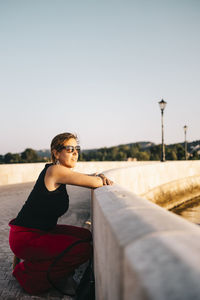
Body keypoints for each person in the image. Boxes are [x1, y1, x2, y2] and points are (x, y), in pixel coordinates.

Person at [8, 132, 113, 295]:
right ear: (56, 153)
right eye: (70, 149)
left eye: (77, 148)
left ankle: (52, 270)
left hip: (38, 233)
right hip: (26, 238)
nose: (76, 153)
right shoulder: (55, 170)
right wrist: (100, 177)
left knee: (85, 235)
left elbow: (88, 177)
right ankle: (29, 276)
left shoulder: (60, 173)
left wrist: (97, 175)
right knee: (83, 249)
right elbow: (95, 182)